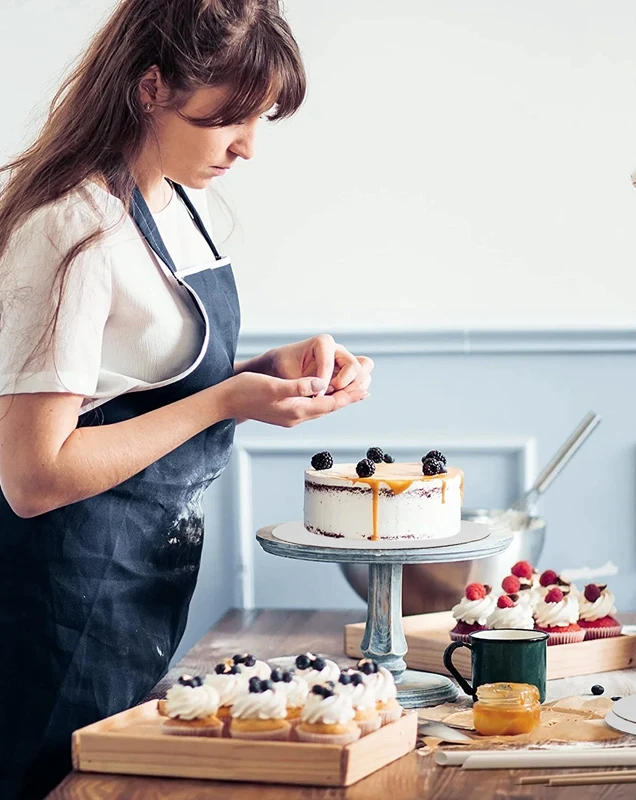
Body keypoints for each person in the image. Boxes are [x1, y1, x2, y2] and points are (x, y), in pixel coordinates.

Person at [0, 2, 373, 796]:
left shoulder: (171, 201)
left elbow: (133, 379)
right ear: (149, 87)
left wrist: (266, 370)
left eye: (259, 118)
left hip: (139, 587)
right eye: (226, 120)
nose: (246, 147)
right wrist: (225, 401)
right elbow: (32, 477)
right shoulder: (70, 227)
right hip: (60, 601)